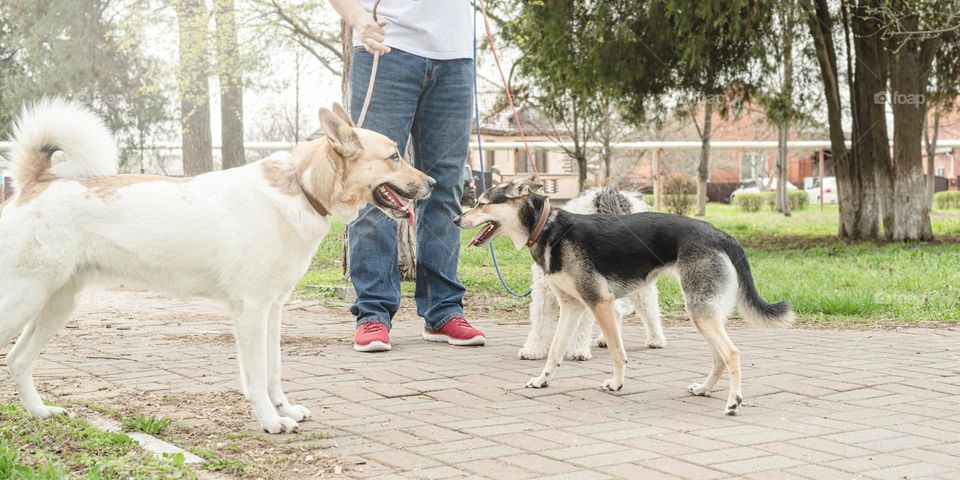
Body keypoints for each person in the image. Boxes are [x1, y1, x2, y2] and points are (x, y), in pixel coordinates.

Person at [330, 0, 486, 352]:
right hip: (386, 50)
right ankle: (373, 312)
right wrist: (359, 19)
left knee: (445, 187)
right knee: (374, 182)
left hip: (456, 57)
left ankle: (443, 310)